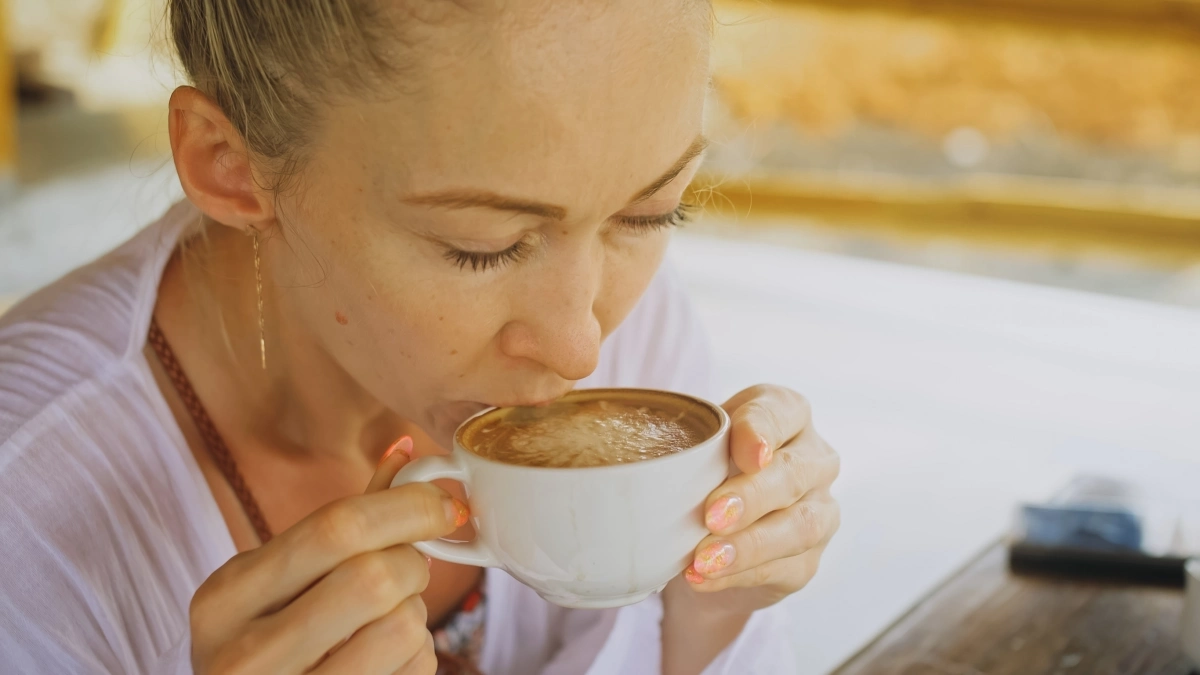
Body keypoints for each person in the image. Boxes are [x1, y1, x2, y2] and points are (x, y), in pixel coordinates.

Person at [0, 1, 841, 673]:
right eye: (484, 246)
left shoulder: (642, 325)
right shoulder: (26, 517)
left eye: (652, 212)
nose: (581, 346)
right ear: (230, 165)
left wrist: (711, 612)